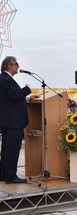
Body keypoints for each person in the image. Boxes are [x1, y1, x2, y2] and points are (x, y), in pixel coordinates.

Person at [0, 56, 39, 184]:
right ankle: (11, 176)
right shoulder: (7, 79)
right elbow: (15, 95)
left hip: (7, 120)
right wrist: (27, 89)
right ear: (9, 66)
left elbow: (10, 99)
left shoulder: (3, 78)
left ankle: (4, 174)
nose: (18, 66)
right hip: (13, 121)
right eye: (16, 64)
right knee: (12, 149)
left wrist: (27, 98)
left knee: (6, 149)